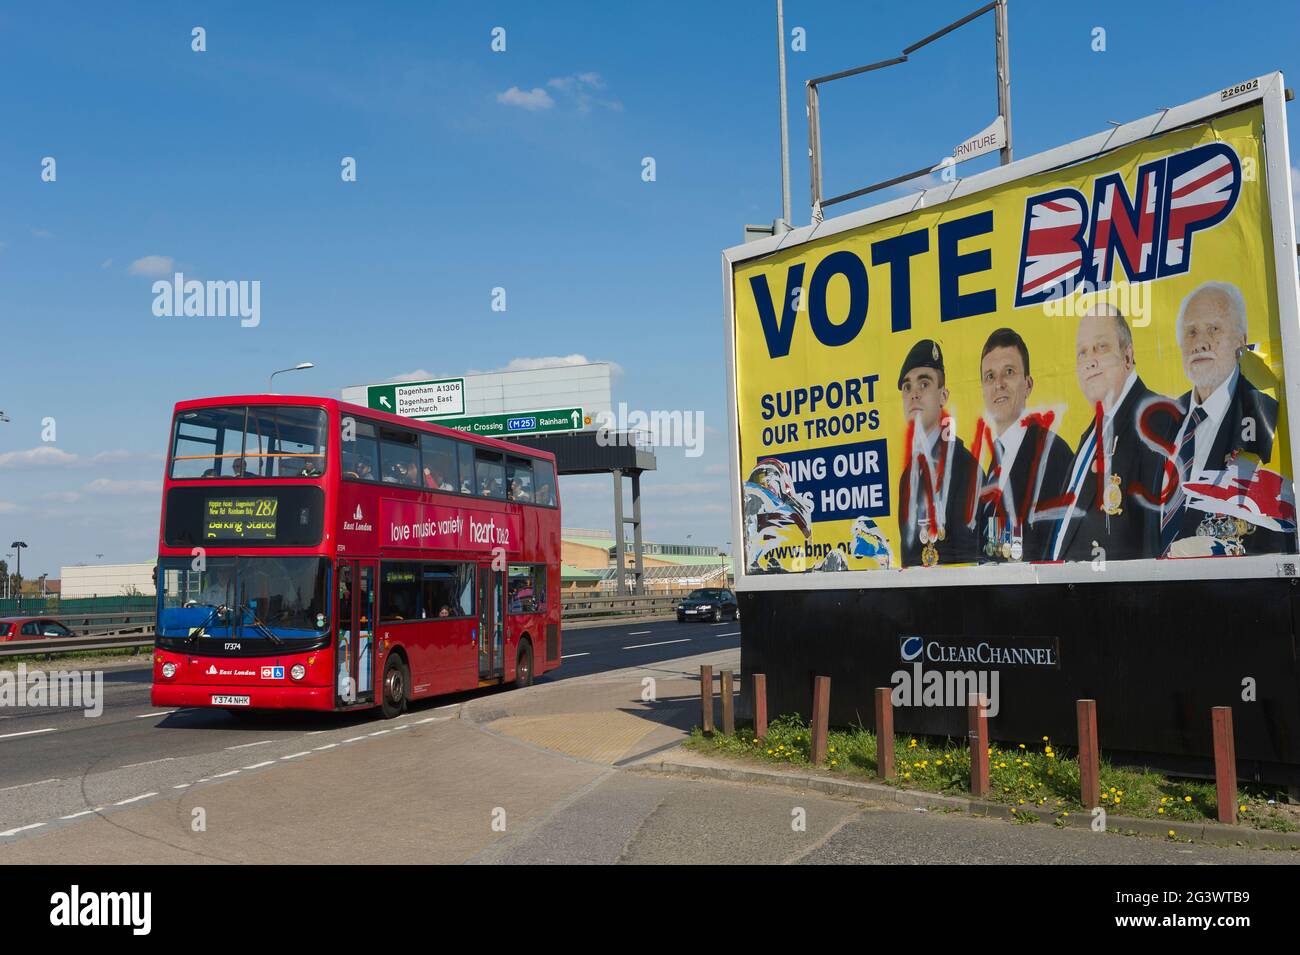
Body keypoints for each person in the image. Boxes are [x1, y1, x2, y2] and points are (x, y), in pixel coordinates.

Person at [1159, 282, 1288, 557]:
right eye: (1191, 332)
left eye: (1213, 329)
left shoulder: (1268, 416)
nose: (1200, 342)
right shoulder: (1158, 421)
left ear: (1241, 338)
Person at [1047, 304, 1173, 562]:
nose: (1090, 360)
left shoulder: (1156, 420)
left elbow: (1153, 541)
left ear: (1127, 356)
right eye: (1082, 353)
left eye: (1101, 347)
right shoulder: (1090, 436)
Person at [977, 328, 1074, 563]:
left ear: (1028, 384)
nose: (998, 384)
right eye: (990, 376)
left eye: (1008, 372)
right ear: (983, 390)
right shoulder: (992, 462)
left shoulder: (1054, 454)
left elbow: (1056, 550)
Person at [895, 339, 978, 567]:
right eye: (907, 387)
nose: (914, 394)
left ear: (943, 396)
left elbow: (969, 563)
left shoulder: (965, 468)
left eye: (924, 384)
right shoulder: (908, 477)